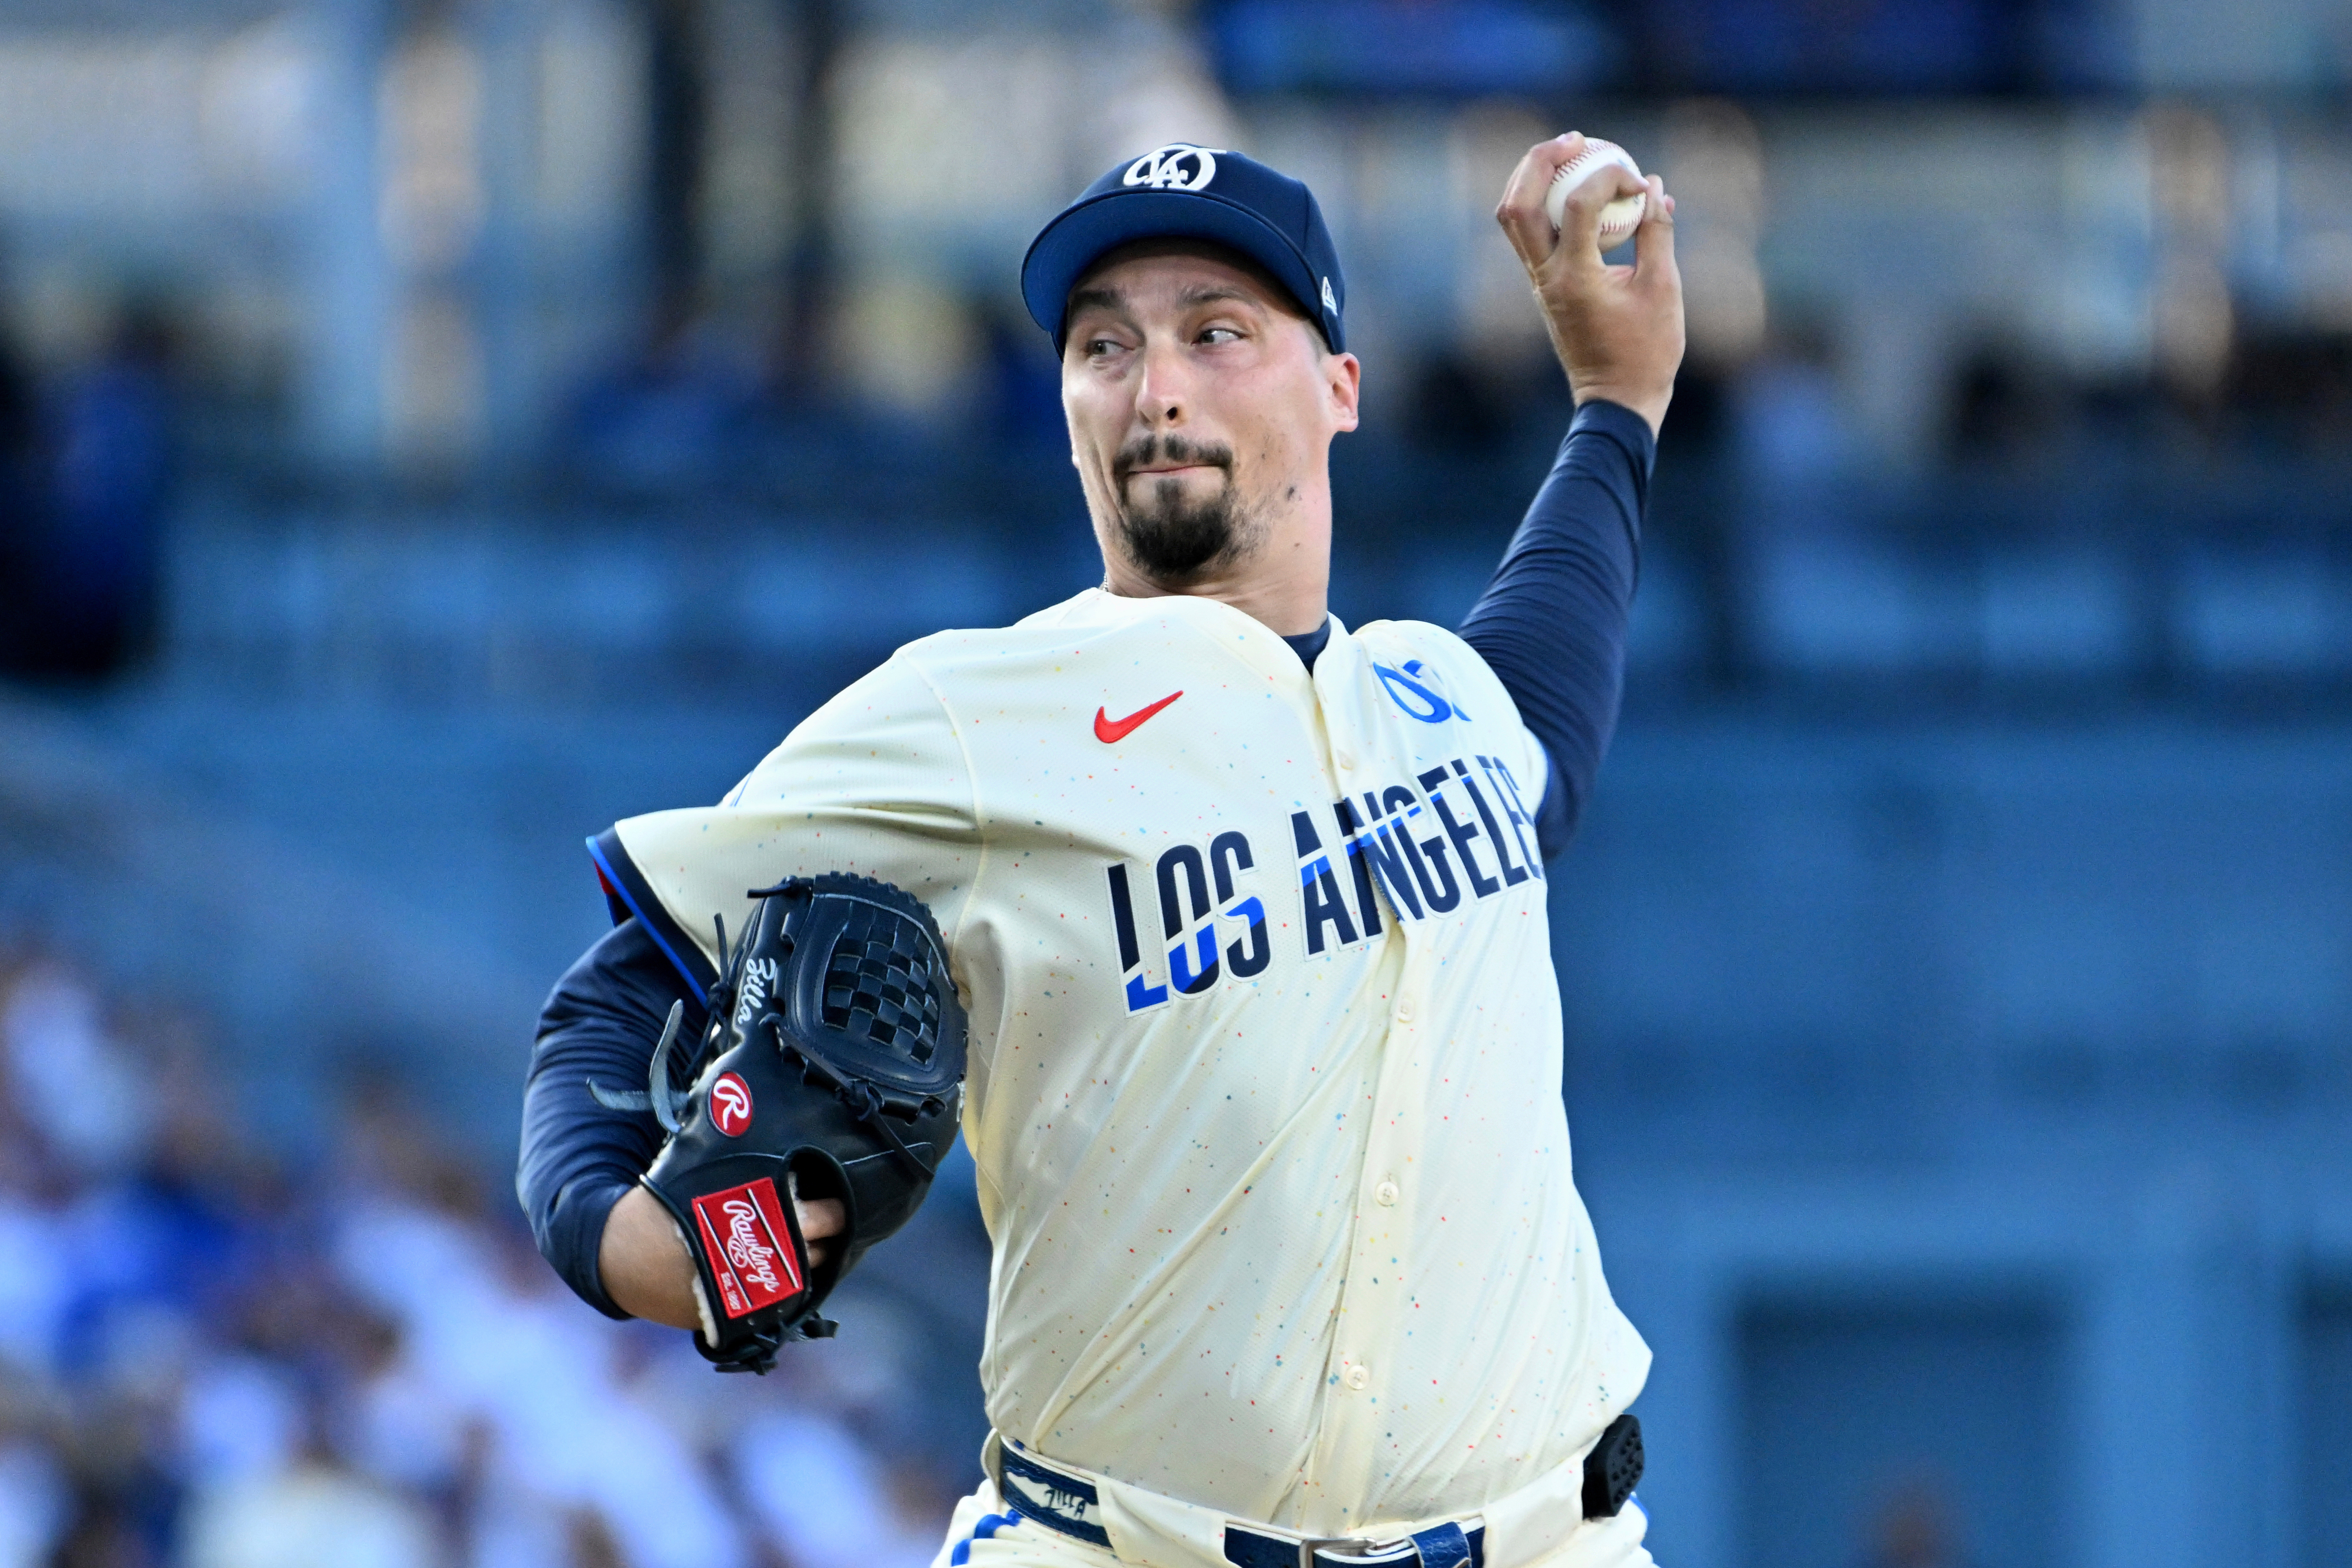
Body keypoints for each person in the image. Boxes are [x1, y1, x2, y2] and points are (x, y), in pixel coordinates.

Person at [518, 134, 1682, 1568]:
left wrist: (1615, 402)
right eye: (1103, 345)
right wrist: (606, 1231)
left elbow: (1551, 688)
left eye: (1217, 332)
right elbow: (615, 992)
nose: (1157, 386)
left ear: (1338, 390)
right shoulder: (976, 709)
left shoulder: (1433, 704)